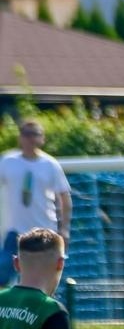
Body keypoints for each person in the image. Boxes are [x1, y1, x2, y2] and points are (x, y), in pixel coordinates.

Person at [0, 120, 71, 288]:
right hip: (15, 230)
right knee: (3, 275)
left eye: (34, 134)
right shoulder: (8, 161)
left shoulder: (50, 164)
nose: (30, 139)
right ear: (20, 137)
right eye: (26, 134)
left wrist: (65, 229)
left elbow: (64, 196)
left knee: (45, 278)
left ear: (42, 139)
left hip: (44, 231)